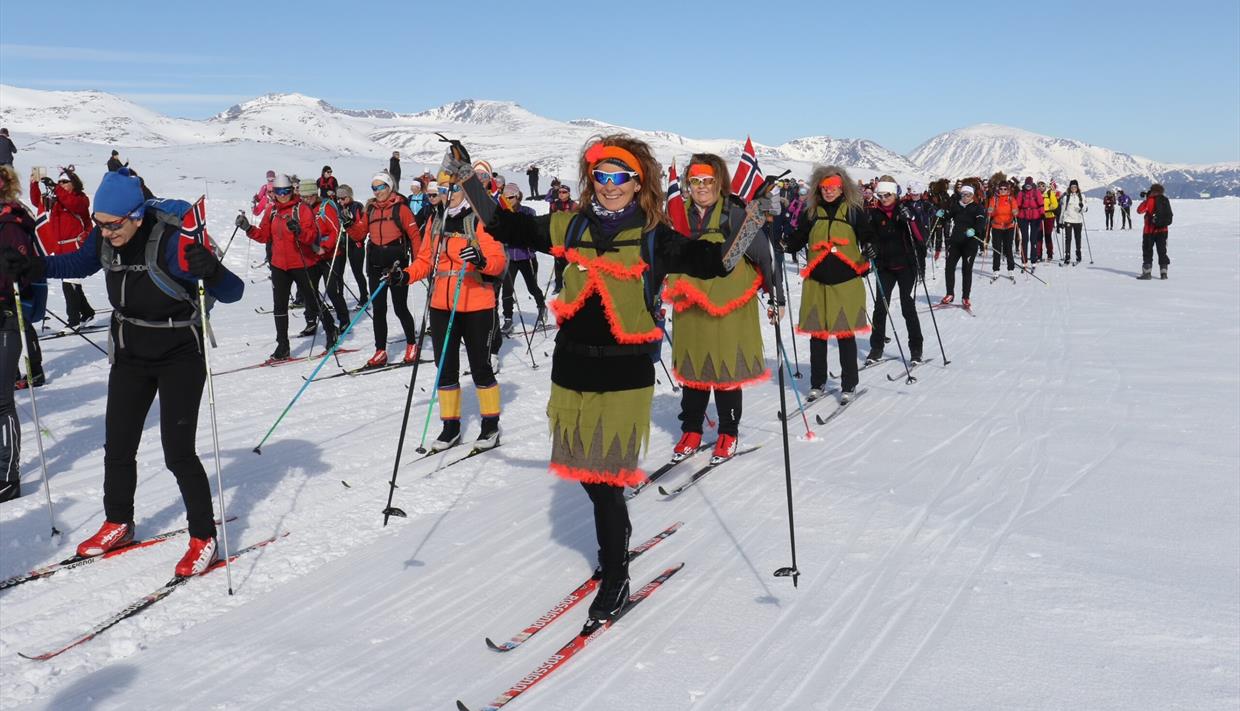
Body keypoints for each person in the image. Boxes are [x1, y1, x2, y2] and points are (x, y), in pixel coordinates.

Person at [470, 134, 729, 624]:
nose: (610, 186)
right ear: (591, 181)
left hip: (625, 370)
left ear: (638, 184)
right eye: (602, 177)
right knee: (584, 473)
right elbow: (505, 225)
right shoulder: (569, 224)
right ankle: (617, 542)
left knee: (606, 478)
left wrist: (753, 222)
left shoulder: (654, 234)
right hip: (571, 364)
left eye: (620, 178)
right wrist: (469, 181)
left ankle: (615, 574)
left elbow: (708, 262)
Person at [0, 167, 244, 575]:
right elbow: (80, 262)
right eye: (99, 225)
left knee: (177, 452)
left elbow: (232, 292)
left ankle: (203, 536)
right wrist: (34, 269)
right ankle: (119, 522)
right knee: (117, 446)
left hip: (179, 353)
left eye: (113, 226)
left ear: (135, 216)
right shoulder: (106, 233)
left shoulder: (168, 240)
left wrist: (213, 270)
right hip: (130, 351)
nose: (105, 234)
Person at [664, 154, 783, 462]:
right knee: (694, 371)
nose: (701, 187)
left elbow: (763, 255)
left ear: (718, 182)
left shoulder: (734, 214)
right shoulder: (678, 215)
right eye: (695, 181)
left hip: (730, 305)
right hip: (690, 304)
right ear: (687, 185)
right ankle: (691, 429)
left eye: (707, 181)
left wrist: (775, 296)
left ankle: (728, 432)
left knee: (726, 371)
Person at [387, 174, 506, 452]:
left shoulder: (481, 218)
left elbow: (498, 262)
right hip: (442, 304)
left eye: (452, 189)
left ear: (464, 189)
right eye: (441, 189)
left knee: (480, 367)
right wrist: (405, 276)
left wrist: (481, 260)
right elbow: (426, 260)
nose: (447, 194)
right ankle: (450, 428)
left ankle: (490, 426)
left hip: (476, 304)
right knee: (446, 369)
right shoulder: (436, 219)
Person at [783, 165, 873, 402]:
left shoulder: (853, 211)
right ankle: (818, 382)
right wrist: (782, 241)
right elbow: (797, 239)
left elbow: (868, 236)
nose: (829, 191)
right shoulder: (811, 213)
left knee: (845, 335)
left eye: (833, 187)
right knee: (818, 335)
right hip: (816, 282)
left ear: (842, 187)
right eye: (824, 187)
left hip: (846, 282)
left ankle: (849, 384)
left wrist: (873, 248)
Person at [236, 174, 337, 360]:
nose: (283, 195)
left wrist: (299, 231)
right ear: (273, 193)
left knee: (312, 300)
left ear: (292, 191)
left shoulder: (302, 209)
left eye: (287, 191)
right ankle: (282, 345)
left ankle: (331, 331)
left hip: (302, 262)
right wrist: (248, 228)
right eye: (279, 192)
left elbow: (311, 237)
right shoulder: (272, 211)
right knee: (279, 306)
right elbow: (265, 236)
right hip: (279, 265)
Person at [0, 165, 37, 501]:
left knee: (2, 402)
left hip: (5, 317)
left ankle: (7, 477)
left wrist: (14, 269)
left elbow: (23, 273)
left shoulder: (11, 225)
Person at [357, 172, 420, 366]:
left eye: (381, 187)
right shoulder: (371, 210)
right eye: (374, 188)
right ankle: (380, 351)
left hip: (397, 266)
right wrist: (350, 224)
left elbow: (415, 236)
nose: (378, 192)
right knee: (379, 309)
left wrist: (419, 264)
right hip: (375, 265)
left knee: (400, 308)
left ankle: (411, 345)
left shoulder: (401, 209)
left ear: (389, 187)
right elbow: (359, 233)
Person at [865, 177, 924, 364]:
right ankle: (876, 347)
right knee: (880, 307)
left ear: (895, 194)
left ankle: (916, 348)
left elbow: (921, 237)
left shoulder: (906, 210)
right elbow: (868, 238)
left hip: (906, 265)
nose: (884, 198)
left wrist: (912, 219)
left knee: (908, 306)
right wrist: (868, 248)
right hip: (884, 266)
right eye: (880, 195)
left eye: (887, 195)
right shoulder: (874, 215)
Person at [30, 167, 97, 329]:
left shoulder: (81, 199)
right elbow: (36, 201)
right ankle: (87, 312)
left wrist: (56, 188)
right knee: (70, 282)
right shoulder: (57, 197)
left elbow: (73, 204)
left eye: (65, 182)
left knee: (69, 283)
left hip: (76, 246)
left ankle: (73, 321)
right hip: (60, 247)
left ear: (73, 184)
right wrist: (34, 183)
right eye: (60, 182)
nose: (62, 184)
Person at [296, 180, 349, 336]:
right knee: (309, 290)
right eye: (303, 197)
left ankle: (344, 319)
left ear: (315, 194)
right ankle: (311, 321)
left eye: (309, 196)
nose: (306, 200)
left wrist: (324, 248)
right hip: (312, 256)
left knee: (332, 290)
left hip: (330, 255)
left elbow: (335, 231)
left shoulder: (325, 207)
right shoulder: (301, 210)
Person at [497, 183, 546, 333]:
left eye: (511, 197)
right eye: (505, 197)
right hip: (510, 257)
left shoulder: (528, 211)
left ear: (518, 196)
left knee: (532, 287)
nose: (508, 200)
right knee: (507, 289)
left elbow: (534, 232)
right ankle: (508, 319)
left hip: (526, 256)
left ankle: (542, 308)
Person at [938, 182, 986, 308]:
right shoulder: (956, 206)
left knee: (966, 269)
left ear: (972, 195)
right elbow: (948, 216)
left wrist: (975, 230)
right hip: (956, 242)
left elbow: (981, 222)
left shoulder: (977, 207)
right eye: (964, 194)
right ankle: (950, 294)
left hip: (970, 243)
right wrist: (942, 215)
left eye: (968, 195)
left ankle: (965, 297)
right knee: (949, 267)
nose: (966, 197)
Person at [337, 185, 371, 304]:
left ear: (349, 196)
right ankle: (339, 299)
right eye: (338, 198)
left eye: (343, 198)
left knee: (357, 271)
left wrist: (350, 223)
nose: (340, 201)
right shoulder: (338, 207)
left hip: (356, 244)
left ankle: (363, 296)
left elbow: (361, 227)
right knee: (338, 272)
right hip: (342, 243)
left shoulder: (356, 206)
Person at [1136, 184, 1172, 279]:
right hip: (1163, 230)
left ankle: (1147, 273)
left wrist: (1146, 199)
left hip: (1149, 231)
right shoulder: (1165, 200)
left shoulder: (1150, 200)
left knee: (1147, 251)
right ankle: (1164, 273)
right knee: (1162, 251)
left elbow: (1139, 210)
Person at [547, 185, 577, 294]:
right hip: (557, 237)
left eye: (564, 192)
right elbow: (550, 219)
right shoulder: (554, 205)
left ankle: (570, 285)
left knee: (570, 263)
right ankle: (558, 285)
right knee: (558, 263)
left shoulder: (573, 205)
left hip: (569, 237)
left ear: (569, 193)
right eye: (560, 192)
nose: (561, 194)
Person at [986, 174, 1018, 273]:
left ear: (1008, 190)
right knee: (997, 249)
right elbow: (990, 210)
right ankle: (996, 269)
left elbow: (1016, 209)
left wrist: (1015, 211)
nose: (1003, 190)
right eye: (1001, 188)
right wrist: (990, 211)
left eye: (1005, 189)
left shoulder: (1011, 199)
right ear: (998, 189)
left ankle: (1011, 268)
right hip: (997, 226)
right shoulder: (994, 199)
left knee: (1008, 248)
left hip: (1009, 226)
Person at [1016, 177, 1044, 264]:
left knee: (1033, 238)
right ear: (1025, 185)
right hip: (1023, 217)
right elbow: (1018, 204)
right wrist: (1016, 215)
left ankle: (1033, 259)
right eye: (1027, 185)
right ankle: (1024, 259)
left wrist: (1042, 214)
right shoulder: (1021, 193)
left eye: (1029, 185)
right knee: (1025, 239)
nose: (1028, 187)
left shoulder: (1037, 192)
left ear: (1032, 185)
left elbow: (1041, 204)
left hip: (1035, 217)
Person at [1058, 180, 1086, 265]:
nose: (1074, 188)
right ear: (1070, 188)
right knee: (1068, 239)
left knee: (1078, 238)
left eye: (1075, 187)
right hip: (1068, 220)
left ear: (1077, 188)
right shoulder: (1066, 197)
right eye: (1072, 187)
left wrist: (1081, 207)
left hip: (1078, 220)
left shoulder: (1082, 196)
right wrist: (1060, 221)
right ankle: (1067, 257)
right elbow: (1063, 210)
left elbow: (1085, 209)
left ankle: (1078, 256)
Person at [1041, 181, 1059, 262]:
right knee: (1039, 236)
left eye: (1042, 186)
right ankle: (1038, 254)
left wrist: (1049, 207)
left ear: (1045, 187)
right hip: (1040, 217)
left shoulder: (1049, 193)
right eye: (1039, 186)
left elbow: (1055, 204)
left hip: (1049, 216)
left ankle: (1050, 254)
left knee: (1048, 235)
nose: (1041, 187)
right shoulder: (1036, 194)